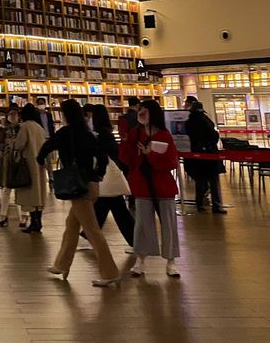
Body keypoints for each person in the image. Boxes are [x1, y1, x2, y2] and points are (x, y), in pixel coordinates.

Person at [37, 99, 119, 287]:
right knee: (71, 225)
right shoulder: (88, 134)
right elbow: (102, 157)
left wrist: (40, 160)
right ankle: (61, 265)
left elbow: (45, 149)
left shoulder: (64, 133)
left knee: (92, 231)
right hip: (90, 184)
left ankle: (110, 272)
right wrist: (98, 174)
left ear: (65, 115)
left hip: (76, 187)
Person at [120, 98, 181, 278]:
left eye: (144, 110)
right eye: (140, 110)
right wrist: (128, 144)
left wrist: (151, 155)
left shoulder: (164, 135)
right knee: (142, 225)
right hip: (142, 185)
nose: (141, 113)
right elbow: (125, 157)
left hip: (163, 186)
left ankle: (171, 261)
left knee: (168, 224)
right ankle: (141, 260)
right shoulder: (135, 134)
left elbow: (171, 161)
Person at [91, 103, 134, 247]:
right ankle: (89, 233)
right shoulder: (106, 133)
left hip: (107, 177)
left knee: (114, 208)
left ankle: (135, 240)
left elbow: (104, 155)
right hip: (110, 178)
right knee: (111, 208)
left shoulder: (101, 135)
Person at [185, 101, 227, 214]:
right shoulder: (205, 120)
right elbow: (214, 135)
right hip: (209, 154)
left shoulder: (188, 122)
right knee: (214, 181)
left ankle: (199, 203)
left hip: (195, 154)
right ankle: (217, 205)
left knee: (200, 180)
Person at [17, 103, 47, 233]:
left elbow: (19, 145)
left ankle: (34, 223)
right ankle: (38, 222)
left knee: (30, 195)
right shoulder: (40, 128)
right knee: (39, 194)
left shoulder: (24, 127)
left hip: (28, 164)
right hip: (40, 164)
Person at [0, 106, 26, 228]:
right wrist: (1, 127)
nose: (12, 117)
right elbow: (0, 143)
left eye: (14, 114)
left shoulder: (22, 127)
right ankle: (3, 215)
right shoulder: (5, 128)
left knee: (20, 188)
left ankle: (23, 216)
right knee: (6, 188)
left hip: (19, 160)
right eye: (10, 114)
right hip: (7, 160)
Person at [36, 96, 56, 188]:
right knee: (40, 159)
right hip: (39, 139)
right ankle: (41, 177)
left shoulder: (49, 115)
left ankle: (51, 177)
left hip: (48, 138)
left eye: (42, 103)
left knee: (49, 160)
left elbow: (51, 126)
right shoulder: (35, 115)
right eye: (39, 103)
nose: (41, 105)